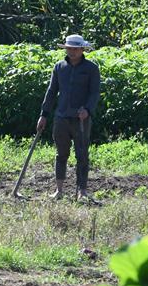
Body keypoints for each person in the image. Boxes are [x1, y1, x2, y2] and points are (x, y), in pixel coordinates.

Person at [36, 34, 101, 200]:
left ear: (82, 49)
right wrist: (44, 115)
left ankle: (82, 191)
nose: (71, 51)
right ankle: (59, 190)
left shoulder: (91, 68)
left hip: (81, 118)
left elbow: (94, 93)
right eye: (69, 48)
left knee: (82, 154)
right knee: (61, 154)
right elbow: (51, 92)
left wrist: (87, 109)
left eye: (75, 48)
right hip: (61, 117)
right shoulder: (59, 67)